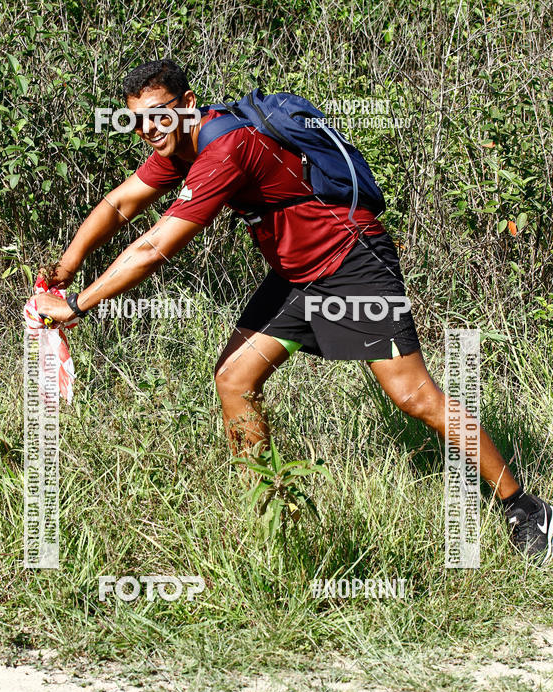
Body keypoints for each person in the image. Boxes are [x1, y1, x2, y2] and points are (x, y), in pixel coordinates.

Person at [32, 58, 553, 565]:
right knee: (234, 379)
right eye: (138, 120)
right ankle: (266, 519)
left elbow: (153, 247)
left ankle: (522, 505)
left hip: (351, 262)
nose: (149, 128)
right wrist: (67, 264)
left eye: (159, 114)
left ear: (188, 104)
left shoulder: (226, 146)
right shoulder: (178, 146)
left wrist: (77, 304)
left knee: (413, 396)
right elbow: (121, 204)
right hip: (297, 276)